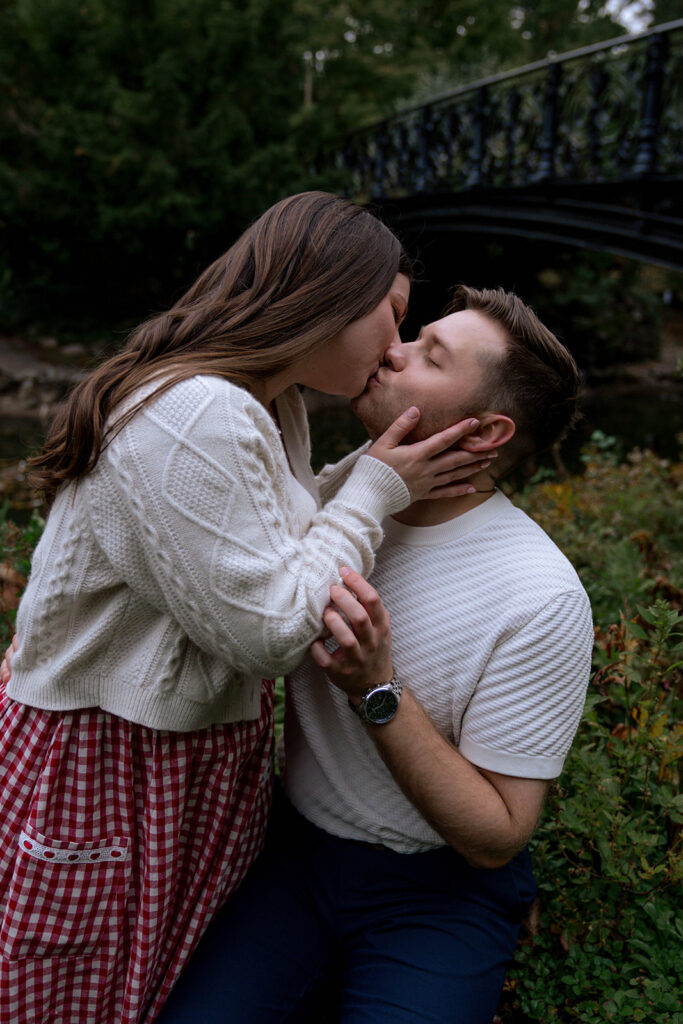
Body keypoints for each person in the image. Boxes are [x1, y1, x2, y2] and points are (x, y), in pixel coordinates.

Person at [0, 192, 489, 1024]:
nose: (395, 349)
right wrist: (374, 488)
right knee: (72, 998)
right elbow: (269, 626)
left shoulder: (264, 399)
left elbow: (271, 536)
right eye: (394, 317)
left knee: (139, 991)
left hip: (176, 765)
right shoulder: (198, 412)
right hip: (112, 760)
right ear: (328, 295)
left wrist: (374, 475)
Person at [155, 285, 594, 1024]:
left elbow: (496, 833)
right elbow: (205, 581)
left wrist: (376, 689)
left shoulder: (536, 593)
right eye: (413, 334)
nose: (392, 348)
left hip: (437, 894)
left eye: (430, 356)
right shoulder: (342, 500)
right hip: (292, 859)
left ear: (485, 433)